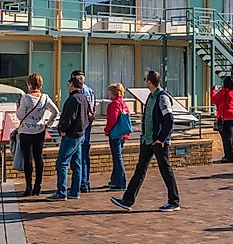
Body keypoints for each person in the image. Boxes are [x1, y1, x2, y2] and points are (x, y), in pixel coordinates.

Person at [111, 70, 180, 212]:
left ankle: (174, 201)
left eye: (145, 79)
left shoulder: (162, 97)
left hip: (158, 142)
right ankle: (128, 200)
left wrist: (161, 139)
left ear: (149, 81)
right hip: (147, 140)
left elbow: (169, 120)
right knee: (140, 169)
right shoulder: (151, 96)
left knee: (165, 170)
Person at [16, 73, 59, 197]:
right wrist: (48, 123)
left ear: (29, 84)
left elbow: (19, 116)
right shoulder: (45, 98)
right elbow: (55, 111)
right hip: (40, 130)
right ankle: (38, 186)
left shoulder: (25, 98)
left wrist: (18, 107)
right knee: (38, 158)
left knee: (28, 159)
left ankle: (28, 187)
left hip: (26, 131)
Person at [47, 76, 90, 201]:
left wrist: (63, 129)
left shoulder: (73, 99)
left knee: (62, 163)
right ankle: (75, 191)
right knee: (76, 164)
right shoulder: (83, 98)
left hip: (71, 135)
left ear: (72, 84)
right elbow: (88, 116)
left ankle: (61, 192)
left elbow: (68, 117)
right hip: (80, 134)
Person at [71, 69, 96, 193]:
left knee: (79, 154)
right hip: (88, 124)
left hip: (81, 126)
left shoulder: (80, 91)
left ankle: (82, 183)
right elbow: (93, 109)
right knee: (85, 153)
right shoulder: (90, 90)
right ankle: (85, 182)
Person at [103, 83, 130, 191]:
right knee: (117, 157)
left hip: (115, 134)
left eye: (110, 92)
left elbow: (112, 120)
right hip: (123, 133)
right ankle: (115, 180)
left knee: (117, 158)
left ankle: (121, 182)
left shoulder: (113, 104)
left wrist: (107, 130)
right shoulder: (123, 103)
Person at [211, 76, 233, 163]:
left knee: (226, 138)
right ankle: (229, 155)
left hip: (227, 116)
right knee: (231, 137)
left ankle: (229, 156)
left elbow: (214, 100)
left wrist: (213, 91)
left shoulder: (224, 92)